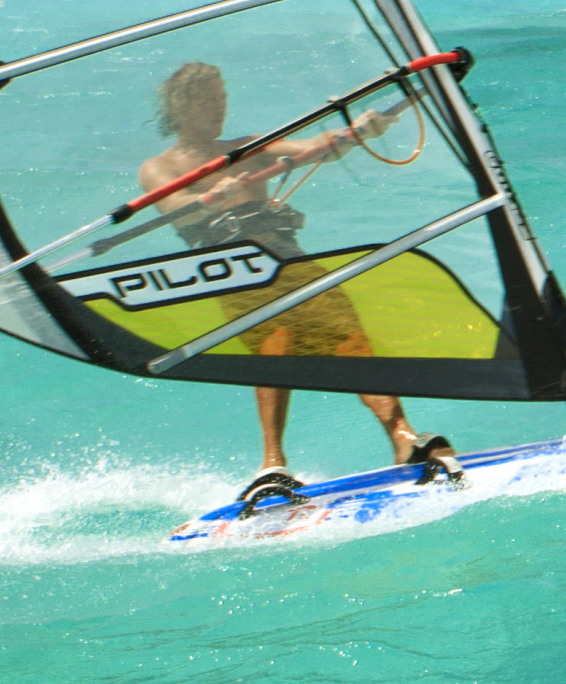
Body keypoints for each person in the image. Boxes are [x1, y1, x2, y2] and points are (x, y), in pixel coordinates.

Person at [140, 59, 451, 511]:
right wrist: (209, 198)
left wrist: (358, 131)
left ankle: (403, 438)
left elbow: (315, 147)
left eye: (222, 98)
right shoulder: (159, 167)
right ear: (181, 105)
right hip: (236, 269)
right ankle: (272, 463)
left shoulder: (246, 147)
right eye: (209, 99)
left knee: (352, 339)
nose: (219, 107)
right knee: (276, 346)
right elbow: (174, 205)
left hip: (290, 258)